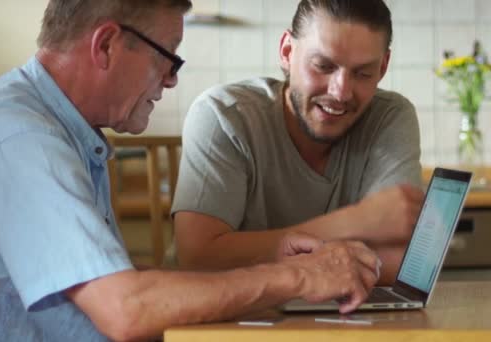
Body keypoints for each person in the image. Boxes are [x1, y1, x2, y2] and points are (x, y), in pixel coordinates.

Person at [0, 1, 381, 341]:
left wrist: (277, 274)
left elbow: (111, 282)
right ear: (106, 46)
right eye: (168, 57)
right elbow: (127, 309)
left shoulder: (50, 127)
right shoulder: (22, 138)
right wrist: (297, 279)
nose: (171, 80)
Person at [171, 0, 425, 284]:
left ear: (383, 67)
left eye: (363, 73)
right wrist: (356, 222)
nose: (340, 92)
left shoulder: (390, 117)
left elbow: (400, 262)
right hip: (239, 324)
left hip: (353, 323)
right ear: (287, 52)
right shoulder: (223, 116)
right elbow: (198, 258)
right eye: (323, 66)